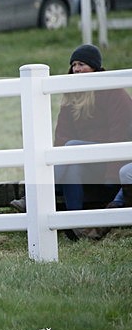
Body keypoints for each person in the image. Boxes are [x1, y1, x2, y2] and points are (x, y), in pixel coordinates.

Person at [10, 46, 132, 229]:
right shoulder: (71, 95)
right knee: (72, 162)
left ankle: (33, 198)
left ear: (95, 67)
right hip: (84, 160)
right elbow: (62, 134)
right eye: (74, 65)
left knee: (72, 147)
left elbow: (120, 132)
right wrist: (57, 161)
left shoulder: (113, 92)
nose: (76, 69)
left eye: (81, 64)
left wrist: (112, 174)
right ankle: (75, 225)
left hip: (113, 161)